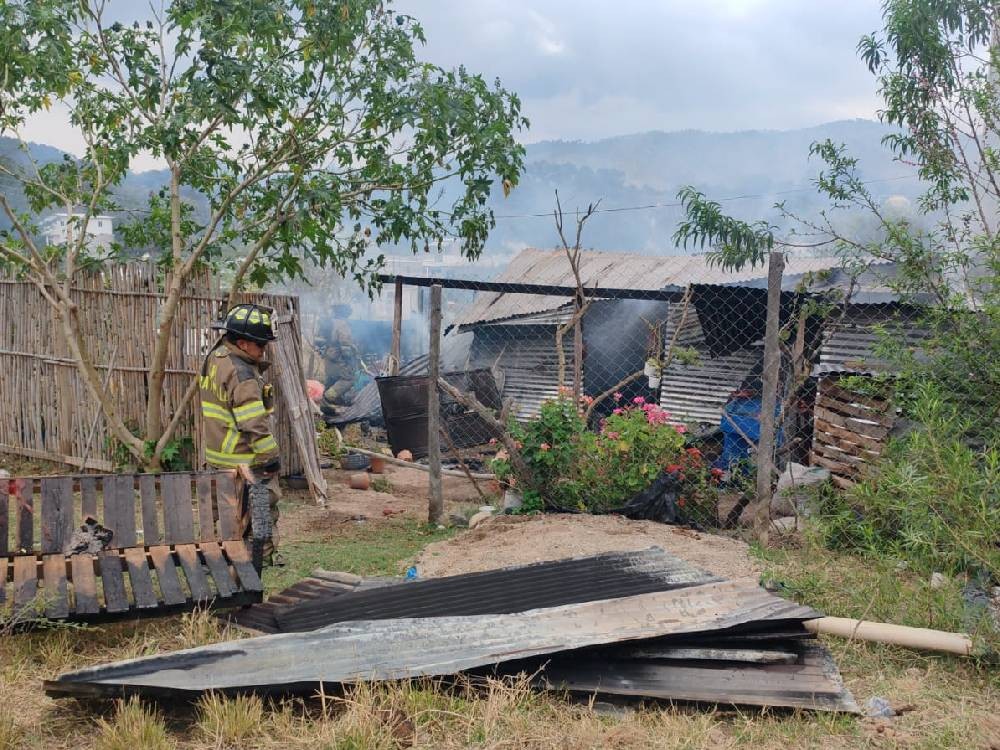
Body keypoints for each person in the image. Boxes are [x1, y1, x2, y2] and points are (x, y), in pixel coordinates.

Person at [199, 303, 283, 564]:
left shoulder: (215, 357)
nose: (263, 350)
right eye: (260, 345)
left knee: (224, 510)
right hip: (243, 458)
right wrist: (270, 457)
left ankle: (220, 554)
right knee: (263, 506)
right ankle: (263, 556)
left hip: (217, 454)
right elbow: (253, 423)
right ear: (244, 343)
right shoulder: (243, 374)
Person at [318, 303, 360, 415]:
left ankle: (328, 405)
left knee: (332, 379)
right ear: (345, 313)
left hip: (329, 357)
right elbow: (345, 345)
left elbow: (320, 341)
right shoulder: (342, 325)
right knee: (348, 379)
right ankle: (327, 398)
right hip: (339, 359)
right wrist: (350, 359)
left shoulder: (330, 322)